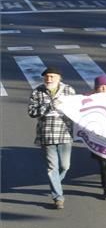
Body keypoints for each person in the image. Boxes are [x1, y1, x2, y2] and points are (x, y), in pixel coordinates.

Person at [28, 66, 77, 209]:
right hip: (47, 134)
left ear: (59, 78)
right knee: (52, 167)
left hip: (64, 134)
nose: (49, 79)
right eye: (47, 77)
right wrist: (48, 107)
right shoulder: (37, 91)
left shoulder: (69, 91)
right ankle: (58, 197)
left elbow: (77, 110)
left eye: (52, 77)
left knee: (65, 166)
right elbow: (31, 112)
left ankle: (56, 183)